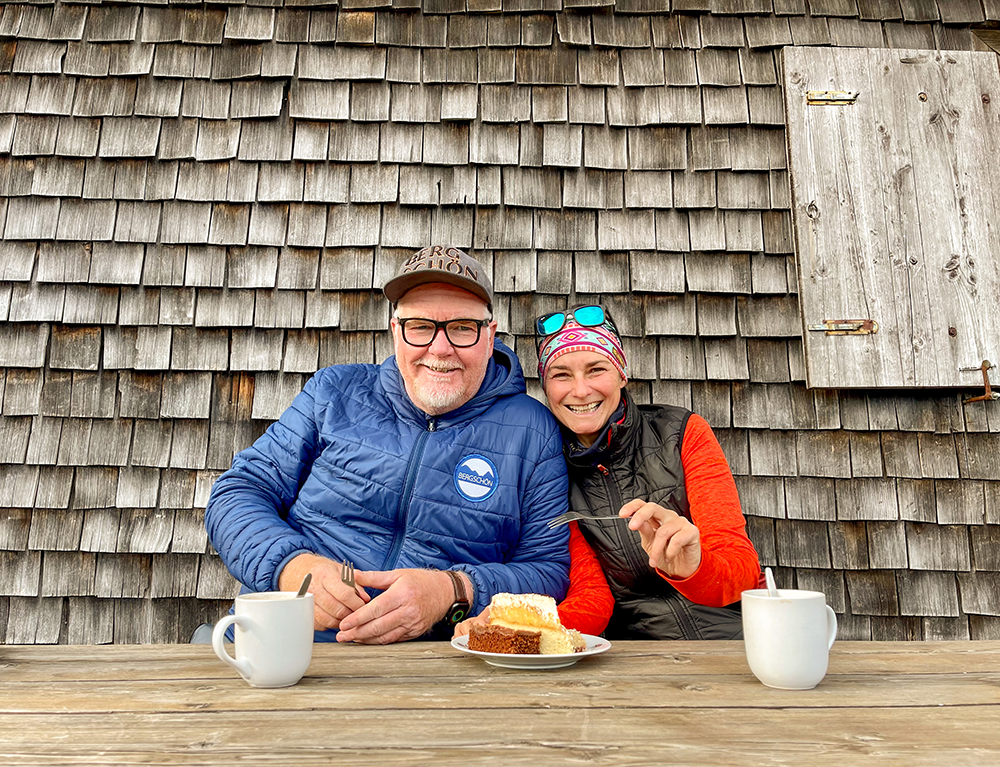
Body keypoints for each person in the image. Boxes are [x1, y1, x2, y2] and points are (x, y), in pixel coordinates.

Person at [205, 246, 572, 644]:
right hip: (282, 645)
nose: (440, 348)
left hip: (428, 669)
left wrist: (454, 590)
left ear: (490, 335)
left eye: (463, 327)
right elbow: (237, 492)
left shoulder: (532, 430)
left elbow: (546, 569)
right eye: (419, 326)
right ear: (396, 330)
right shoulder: (334, 392)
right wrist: (291, 566)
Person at [528, 304, 761, 640]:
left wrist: (694, 569)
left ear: (621, 374)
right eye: (561, 374)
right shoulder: (548, 466)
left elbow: (741, 570)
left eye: (596, 370)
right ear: (546, 388)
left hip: (735, 639)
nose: (580, 390)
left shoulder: (681, 433)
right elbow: (592, 598)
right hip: (638, 655)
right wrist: (524, 631)